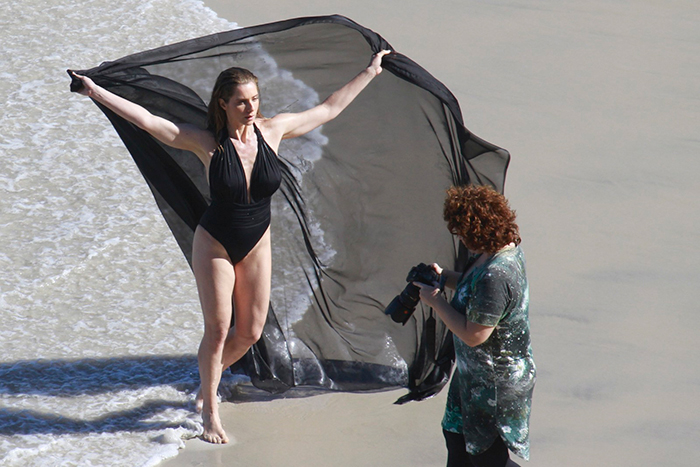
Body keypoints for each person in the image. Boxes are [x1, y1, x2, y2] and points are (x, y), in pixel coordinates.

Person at [71, 49, 390, 444]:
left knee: (251, 332)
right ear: (223, 104)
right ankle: (210, 411)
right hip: (216, 242)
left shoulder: (274, 131)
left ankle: (207, 381)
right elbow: (151, 122)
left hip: (257, 242)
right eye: (241, 101)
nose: (250, 107)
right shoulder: (207, 143)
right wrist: (95, 91)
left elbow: (327, 109)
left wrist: (370, 71)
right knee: (220, 327)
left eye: (255, 98)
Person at [414, 185, 536, 467]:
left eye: (462, 233)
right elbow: (474, 287)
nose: (460, 239)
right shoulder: (492, 254)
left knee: (487, 458)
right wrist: (443, 277)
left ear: (477, 229)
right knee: (455, 438)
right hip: (473, 376)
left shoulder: (498, 273)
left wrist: (436, 302)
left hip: (495, 384)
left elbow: (475, 335)